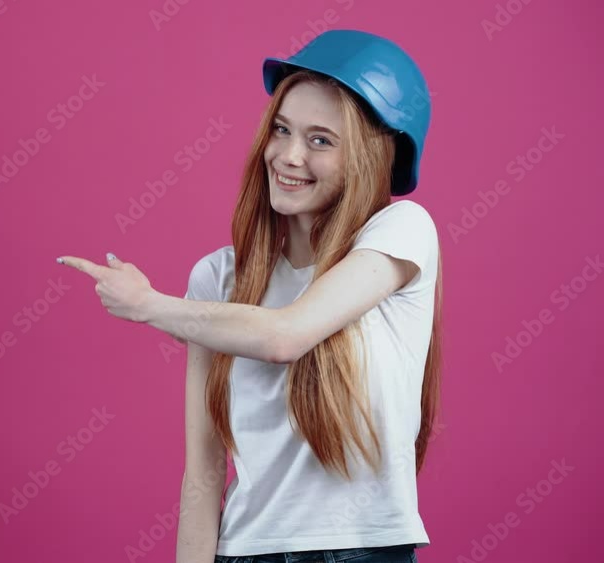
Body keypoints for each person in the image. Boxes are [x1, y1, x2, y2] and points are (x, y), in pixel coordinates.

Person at [57, 29, 441, 563]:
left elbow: (284, 336)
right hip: (243, 551)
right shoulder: (218, 279)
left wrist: (147, 305)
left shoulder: (402, 232)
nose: (288, 155)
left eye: (320, 140)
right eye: (281, 129)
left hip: (361, 550)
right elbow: (204, 470)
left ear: (372, 155)